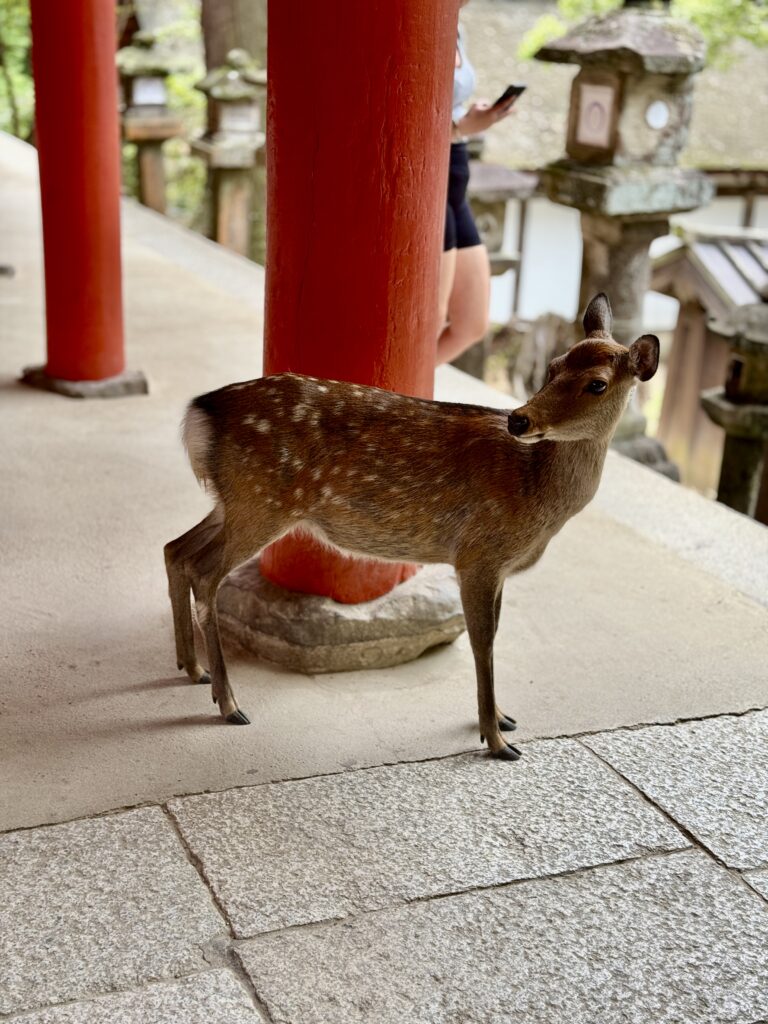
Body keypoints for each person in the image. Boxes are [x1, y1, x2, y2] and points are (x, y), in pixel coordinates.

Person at [436, 19, 516, 366]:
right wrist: (459, 127)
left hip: (455, 173)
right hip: (429, 175)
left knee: (472, 323)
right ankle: (398, 397)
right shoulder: (421, 16)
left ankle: (401, 388)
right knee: (431, 318)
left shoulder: (457, 25)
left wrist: (469, 118)